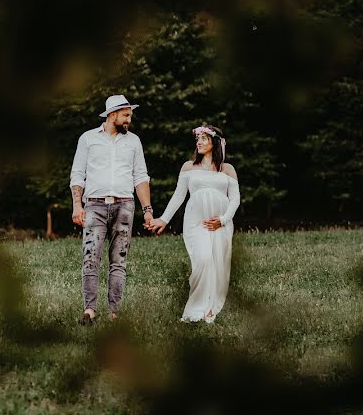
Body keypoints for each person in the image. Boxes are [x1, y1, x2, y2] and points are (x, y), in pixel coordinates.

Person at [70, 95, 152, 324]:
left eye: (130, 116)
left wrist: (147, 209)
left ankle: (114, 313)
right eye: (126, 115)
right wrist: (77, 205)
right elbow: (77, 175)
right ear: (112, 114)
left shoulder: (133, 141)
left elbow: (141, 177)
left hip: (124, 205)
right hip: (94, 205)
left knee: (119, 261)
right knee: (90, 258)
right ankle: (89, 311)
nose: (129, 120)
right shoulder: (88, 139)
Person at [148, 125, 240, 323]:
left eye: (204, 138)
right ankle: (195, 309)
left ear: (215, 142)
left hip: (220, 223)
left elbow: (235, 199)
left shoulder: (227, 169)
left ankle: (210, 307)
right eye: (198, 138)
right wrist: (163, 219)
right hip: (195, 222)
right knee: (203, 259)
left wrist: (223, 220)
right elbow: (178, 197)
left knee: (218, 263)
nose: (199, 142)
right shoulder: (188, 167)